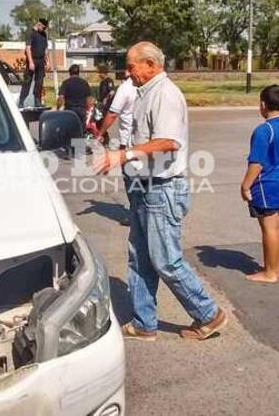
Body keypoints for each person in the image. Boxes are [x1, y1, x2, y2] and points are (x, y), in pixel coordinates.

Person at [95, 41, 227, 341]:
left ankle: (208, 314)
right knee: (139, 257)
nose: (128, 73)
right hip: (146, 186)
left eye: (132, 66)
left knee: (166, 259)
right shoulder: (145, 93)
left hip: (163, 189)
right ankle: (144, 323)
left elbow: (168, 141)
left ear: (151, 65)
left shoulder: (165, 94)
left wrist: (123, 155)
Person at [240, 84, 279, 284]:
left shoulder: (264, 130)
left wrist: (245, 185)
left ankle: (270, 273)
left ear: (263, 104)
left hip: (268, 184)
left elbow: (257, 163)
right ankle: (278, 268)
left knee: (269, 228)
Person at [97, 70, 137, 150]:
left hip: (127, 138)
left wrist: (100, 134)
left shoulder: (124, 87)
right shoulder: (147, 86)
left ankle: (105, 138)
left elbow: (112, 114)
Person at [18, 18, 50, 108]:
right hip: (32, 60)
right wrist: (31, 62)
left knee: (39, 83)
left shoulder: (43, 34)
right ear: (39, 24)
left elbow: (46, 50)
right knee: (27, 82)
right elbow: (28, 48)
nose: (44, 30)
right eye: (43, 27)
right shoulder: (31, 33)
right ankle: (21, 101)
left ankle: (37, 101)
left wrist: (48, 62)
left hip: (41, 61)